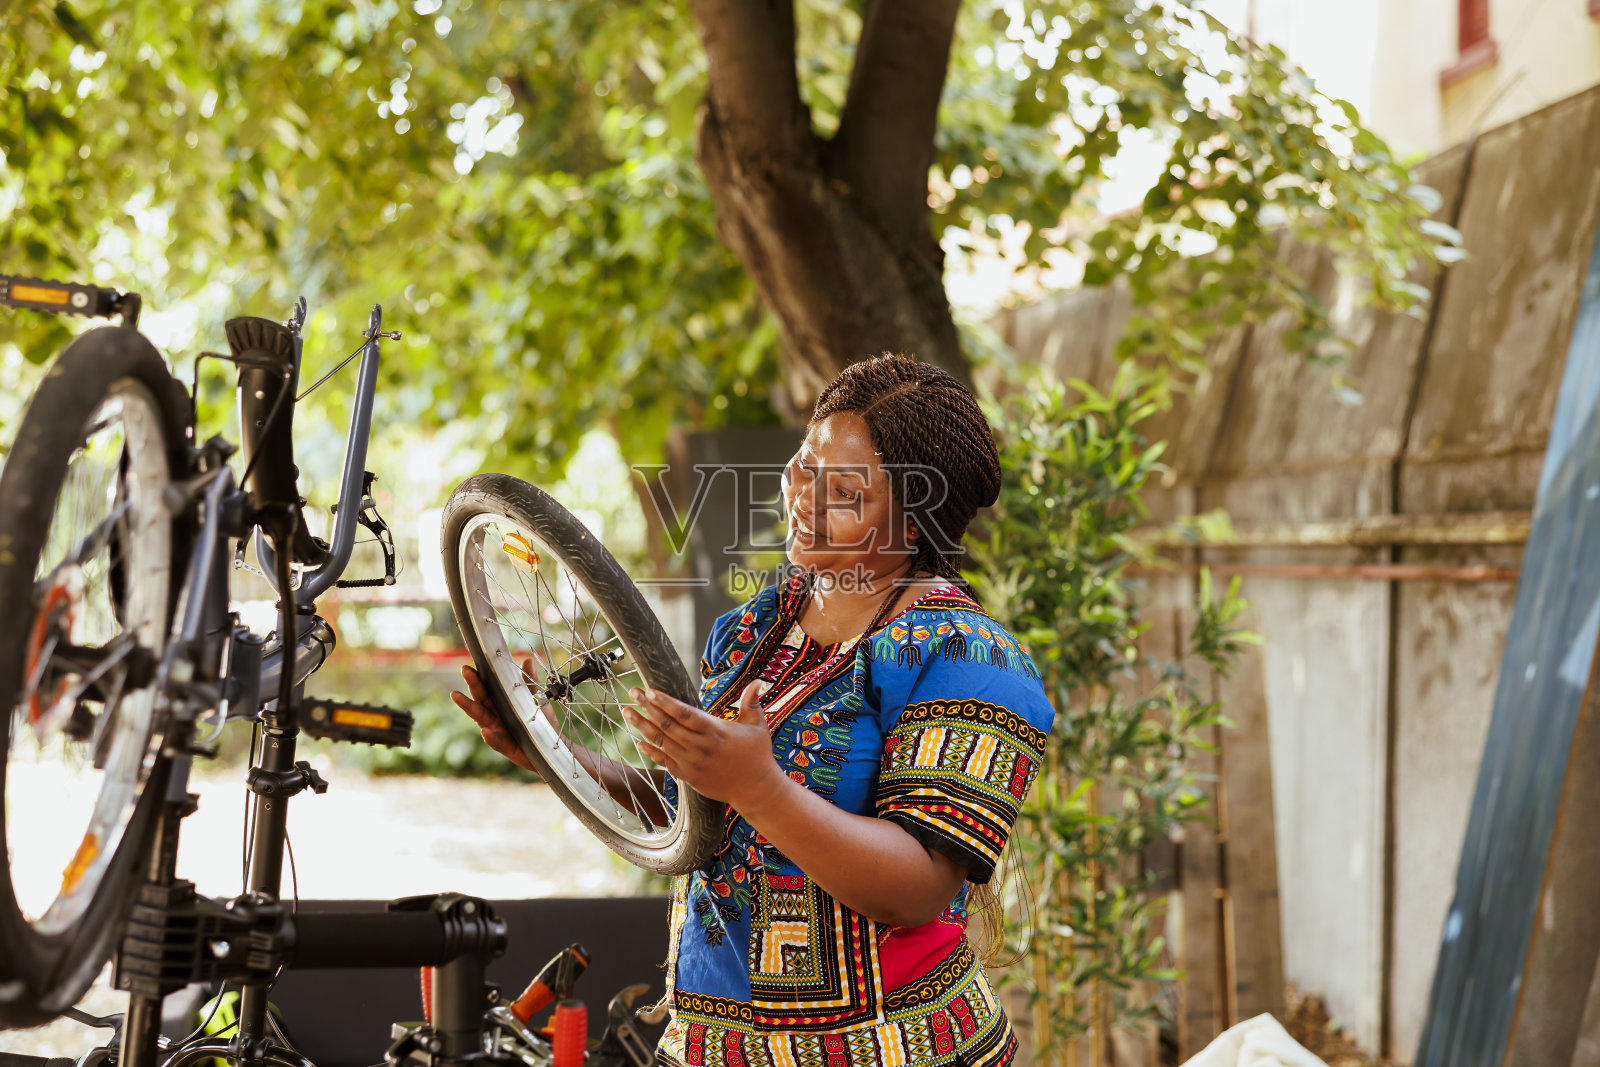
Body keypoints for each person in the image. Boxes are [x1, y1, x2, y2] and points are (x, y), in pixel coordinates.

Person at [454, 355, 1056, 1067]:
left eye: (846, 491)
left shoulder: (968, 656)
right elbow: (699, 819)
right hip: (714, 1049)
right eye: (804, 467)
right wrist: (556, 753)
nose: (806, 497)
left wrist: (759, 785)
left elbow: (918, 888)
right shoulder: (751, 631)